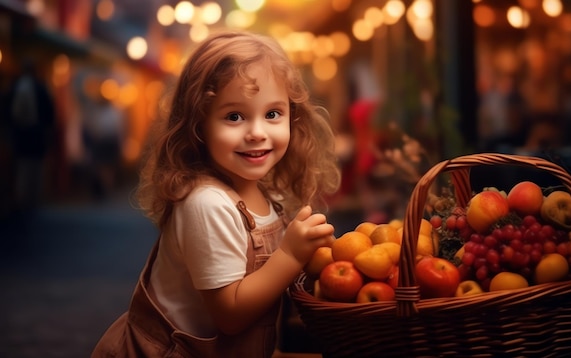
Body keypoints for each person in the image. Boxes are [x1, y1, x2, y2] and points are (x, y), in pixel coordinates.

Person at [92, 30, 341, 357]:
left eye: (272, 114)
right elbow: (231, 315)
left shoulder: (268, 195)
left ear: (292, 116)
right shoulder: (207, 203)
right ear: (199, 125)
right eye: (234, 116)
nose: (257, 132)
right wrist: (291, 256)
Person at [6, 59, 56, 214]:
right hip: (38, 134)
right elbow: (50, 113)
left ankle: (22, 198)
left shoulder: (14, 87)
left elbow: (6, 109)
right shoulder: (41, 88)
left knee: (22, 167)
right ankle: (33, 199)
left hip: (20, 134)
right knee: (36, 168)